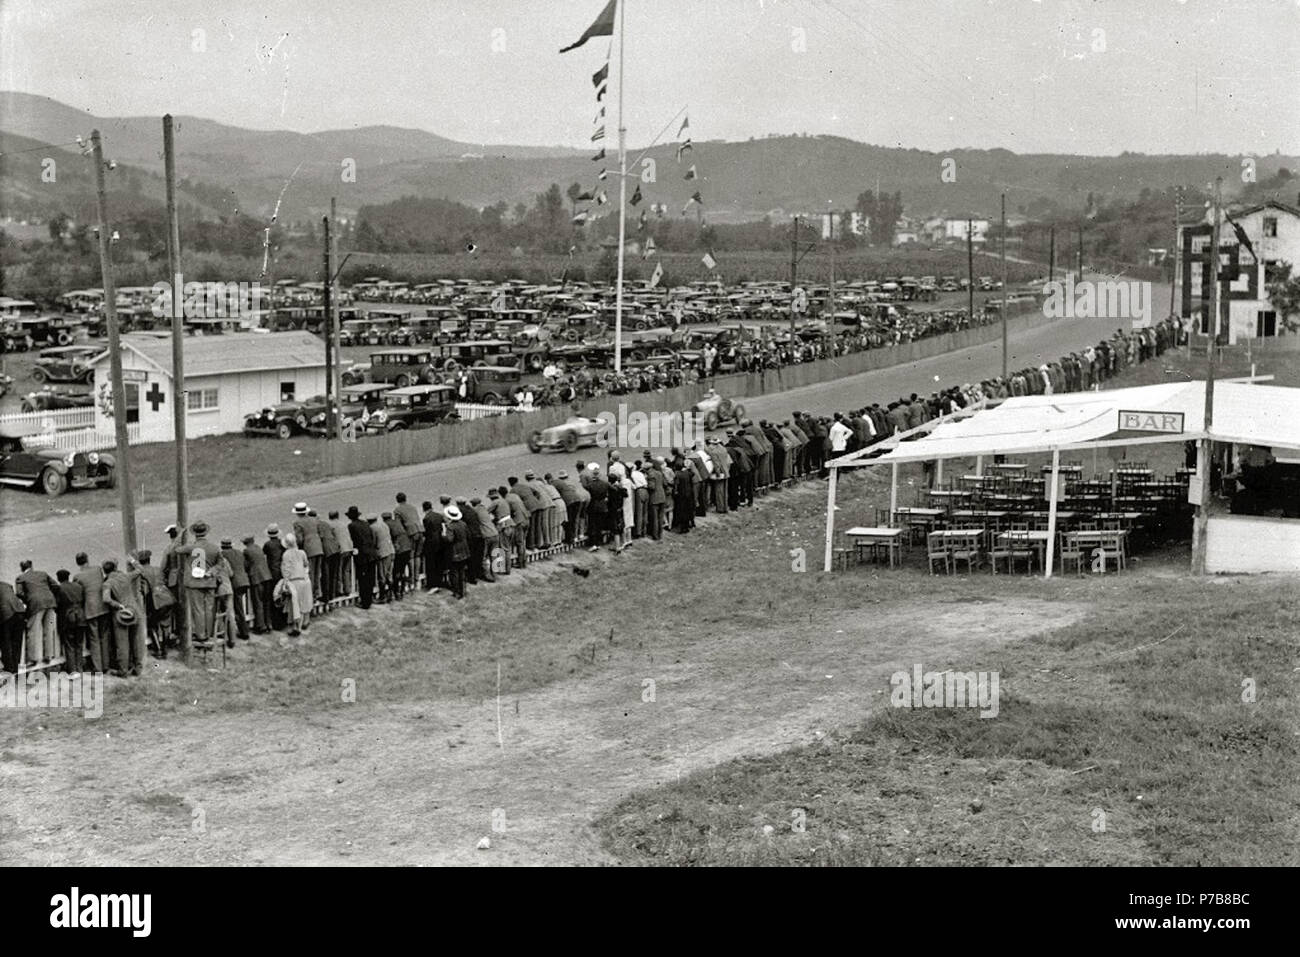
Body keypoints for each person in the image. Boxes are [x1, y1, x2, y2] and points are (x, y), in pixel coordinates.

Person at [101, 558, 145, 677]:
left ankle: (123, 671)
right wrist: (132, 560)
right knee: (136, 641)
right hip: (134, 610)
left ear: (105, 572)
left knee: (122, 644)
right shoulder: (125, 576)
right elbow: (140, 569)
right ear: (115, 568)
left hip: (121, 613)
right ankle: (138, 668)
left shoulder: (107, 583)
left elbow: (106, 599)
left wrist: (117, 605)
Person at [182, 520, 222, 647]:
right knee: (209, 609)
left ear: (195, 533)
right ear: (206, 532)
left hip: (195, 583)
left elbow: (177, 550)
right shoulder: (214, 547)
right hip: (209, 581)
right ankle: (208, 633)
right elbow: (221, 564)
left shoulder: (191, 547)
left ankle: (200, 635)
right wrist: (211, 572)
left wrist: (180, 537)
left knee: (198, 609)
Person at [15, 559, 58, 668]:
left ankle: (33, 659)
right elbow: (55, 586)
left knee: (33, 631)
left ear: (22, 568)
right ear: (31, 566)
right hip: (50, 602)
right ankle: (48, 655)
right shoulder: (42, 573)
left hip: (36, 604)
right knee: (49, 629)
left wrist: (28, 599)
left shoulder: (20, 578)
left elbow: (19, 593)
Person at [73, 552, 109, 673]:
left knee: (94, 639)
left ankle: (97, 668)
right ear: (87, 559)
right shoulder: (98, 569)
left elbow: (79, 594)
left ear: (77, 562)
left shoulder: (77, 577)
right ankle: (106, 665)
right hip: (103, 606)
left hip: (90, 609)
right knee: (104, 636)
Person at [135, 550, 175, 654]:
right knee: (165, 623)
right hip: (168, 597)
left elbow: (143, 589)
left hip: (156, 600)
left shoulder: (142, 572)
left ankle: (158, 649)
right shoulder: (157, 569)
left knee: (152, 624)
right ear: (149, 559)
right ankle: (165, 647)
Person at [279, 533, 313, 636]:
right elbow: (306, 565)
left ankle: (296, 627)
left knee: (295, 605)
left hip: (294, 581)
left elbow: (286, 570)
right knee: (303, 604)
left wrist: (284, 583)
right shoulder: (302, 552)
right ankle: (302, 624)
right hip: (304, 579)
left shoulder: (286, 554)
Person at [292, 502, 324, 602]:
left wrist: (300, 549)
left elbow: (299, 539)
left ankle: (310, 596)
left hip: (308, 550)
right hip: (318, 547)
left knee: (310, 573)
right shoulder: (314, 520)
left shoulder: (297, 523)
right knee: (317, 572)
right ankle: (317, 593)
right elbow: (321, 534)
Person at [54, 569, 85, 674]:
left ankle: (72, 670)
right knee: (79, 644)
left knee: (69, 645)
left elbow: (56, 605)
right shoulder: (78, 586)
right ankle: (80, 668)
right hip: (81, 616)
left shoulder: (59, 588)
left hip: (68, 619)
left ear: (58, 578)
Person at [219, 539, 251, 642]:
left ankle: (243, 632)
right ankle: (242, 630)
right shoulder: (239, 552)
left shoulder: (222, 554)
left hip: (234, 583)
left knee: (237, 609)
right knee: (240, 608)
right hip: (244, 580)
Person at [347, 506, 377, 609]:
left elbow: (354, 540)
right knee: (370, 577)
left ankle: (365, 602)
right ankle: (369, 598)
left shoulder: (351, 526)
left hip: (362, 554)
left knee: (362, 579)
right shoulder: (365, 523)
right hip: (371, 553)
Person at [243, 534, 272, 634]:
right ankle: (269, 623)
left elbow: (246, 565)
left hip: (257, 578)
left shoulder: (246, 551)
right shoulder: (258, 547)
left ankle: (261, 625)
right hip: (267, 575)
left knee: (258, 602)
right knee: (267, 601)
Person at [394, 493, 423, 592]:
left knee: (410, 557)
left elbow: (399, 527)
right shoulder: (413, 507)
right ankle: (417, 580)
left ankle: (411, 582)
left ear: (397, 500)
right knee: (418, 556)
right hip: (420, 530)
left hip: (410, 533)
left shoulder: (397, 510)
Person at [443, 505, 470, 599]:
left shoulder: (451, 527)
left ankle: (457, 591)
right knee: (462, 572)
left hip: (455, 552)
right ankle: (463, 590)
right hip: (464, 550)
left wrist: (444, 536)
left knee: (454, 572)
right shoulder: (463, 524)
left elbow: (450, 540)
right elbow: (468, 535)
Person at [263, 525, 287, 630]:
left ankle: (276, 622)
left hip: (272, 572)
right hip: (281, 571)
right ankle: (284, 620)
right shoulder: (281, 543)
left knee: (274, 596)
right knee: (282, 595)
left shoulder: (268, 545)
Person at [0, 580, 25, 678]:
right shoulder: (7, 585)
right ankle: (15, 669)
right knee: (17, 643)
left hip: (7, 614)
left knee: (6, 642)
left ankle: (9, 669)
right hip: (20, 611)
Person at [315, 509, 340, 605]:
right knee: (333, 573)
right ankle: (332, 594)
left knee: (326, 574)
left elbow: (321, 537)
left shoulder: (317, 525)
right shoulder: (325, 523)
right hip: (335, 548)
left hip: (327, 551)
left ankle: (326, 596)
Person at [384, 511, 411, 600]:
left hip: (399, 549)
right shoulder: (397, 522)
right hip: (407, 547)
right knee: (402, 571)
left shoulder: (386, 525)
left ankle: (396, 592)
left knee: (396, 572)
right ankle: (402, 590)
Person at [329, 510, 355, 599]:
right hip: (349, 547)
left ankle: (339, 590)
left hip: (341, 549)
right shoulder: (343, 524)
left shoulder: (330, 525)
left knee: (339, 570)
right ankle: (347, 589)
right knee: (346, 570)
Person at [422, 499, 448, 590]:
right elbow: (446, 524)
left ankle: (432, 584)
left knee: (431, 565)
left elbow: (427, 532)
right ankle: (440, 581)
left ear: (424, 509)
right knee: (439, 563)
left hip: (431, 543)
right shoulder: (438, 515)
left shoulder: (426, 518)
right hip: (440, 541)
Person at [371, 514, 394, 603]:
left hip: (382, 553)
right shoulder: (384, 525)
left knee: (382, 576)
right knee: (389, 574)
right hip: (390, 550)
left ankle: (382, 596)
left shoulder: (372, 528)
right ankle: (390, 595)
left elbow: (374, 542)